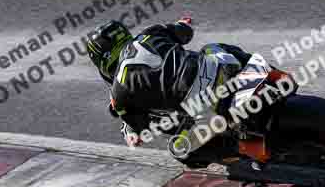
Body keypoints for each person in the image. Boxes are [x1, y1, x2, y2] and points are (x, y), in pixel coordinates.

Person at [86, 17, 255, 168]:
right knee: (213, 48)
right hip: (220, 70)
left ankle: (244, 152)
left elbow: (145, 129)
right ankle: (266, 73)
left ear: (102, 62)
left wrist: (133, 130)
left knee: (179, 149)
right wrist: (183, 23)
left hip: (204, 107)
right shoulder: (150, 34)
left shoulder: (119, 93)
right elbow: (185, 32)